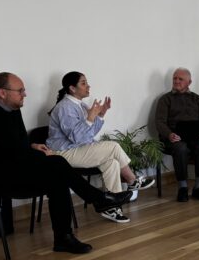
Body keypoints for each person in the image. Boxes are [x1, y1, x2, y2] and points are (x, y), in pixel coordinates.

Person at [0, 72, 132, 254]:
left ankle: (64, 238)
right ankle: (99, 201)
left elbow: (15, 145)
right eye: (20, 91)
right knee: (57, 164)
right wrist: (30, 152)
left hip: (12, 165)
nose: (25, 94)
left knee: (57, 175)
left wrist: (32, 146)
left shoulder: (12, 109)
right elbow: (2, 154)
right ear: (2, 93)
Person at [47, 71, 155, 223]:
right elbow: (77, 137)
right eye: (83, 83)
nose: (88, 86)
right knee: (113, 147)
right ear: (72, 88)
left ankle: (112, 207)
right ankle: (132, 180)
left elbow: (89, 133)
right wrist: (91, 117)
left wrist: (101, 114)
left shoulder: (80, 105)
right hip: (63, 154)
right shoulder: (65, 107)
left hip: (78, 150)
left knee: (112, 162)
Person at [155, 67, 199, 202]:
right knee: (180, 148)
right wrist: (169, 134)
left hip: (195, 136)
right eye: (174, 78)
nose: (176, 81)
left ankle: (198, 187)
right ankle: (182, 188)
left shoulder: (198, 99)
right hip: (174, 137)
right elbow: (159, 122)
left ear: (189, 82)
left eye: (180, 79)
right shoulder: (165, 99)